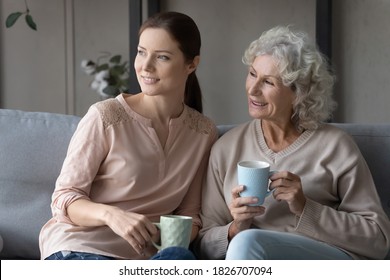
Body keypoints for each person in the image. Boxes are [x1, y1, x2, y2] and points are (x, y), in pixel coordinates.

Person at [194, 25, 390, 260]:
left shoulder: (336, 147)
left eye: (268, 82)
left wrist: (305, 208)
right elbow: (203, 245)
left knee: (249, 242)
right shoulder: (226, 148)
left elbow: (378, 239)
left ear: (298, 93)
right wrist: (237, 226)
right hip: (251, 262)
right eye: (253, 74)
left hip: (324, 263)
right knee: (246, 240)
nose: (253, 90)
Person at [39, 11, 218, 260]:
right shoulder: (105, 116)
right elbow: (64, 198)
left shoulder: (203, 132)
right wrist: (112, 215)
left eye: (162, 57)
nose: (145, 66)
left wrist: (163, 239)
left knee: (182, 258)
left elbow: (189, 215)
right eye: (141, 52)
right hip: (82, 249)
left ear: (192, 64)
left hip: (146, 259)